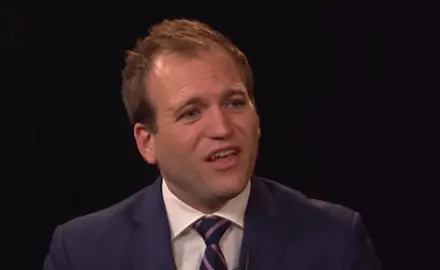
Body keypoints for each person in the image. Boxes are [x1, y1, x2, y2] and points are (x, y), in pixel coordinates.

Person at [43, 18, 382, 270]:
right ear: (147, 142)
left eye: (235, 103)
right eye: (191, 112)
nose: (222, 128)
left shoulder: (336, 241)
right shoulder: (81, 253)